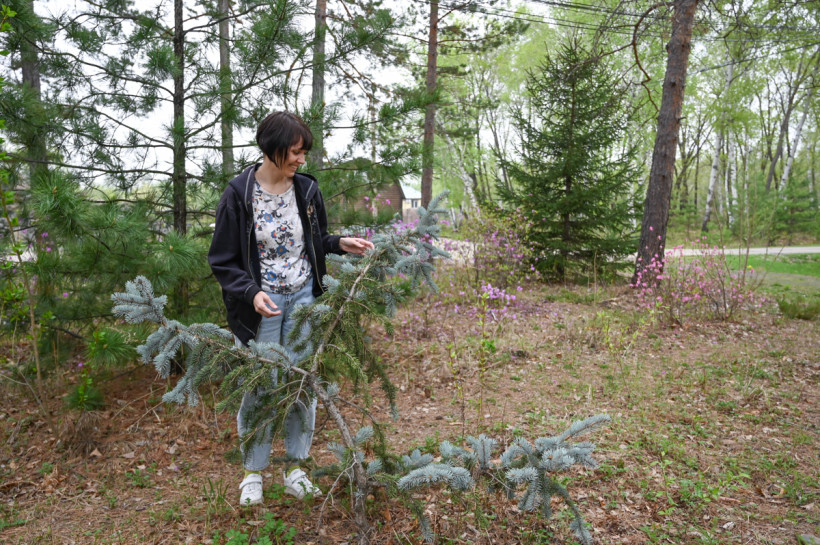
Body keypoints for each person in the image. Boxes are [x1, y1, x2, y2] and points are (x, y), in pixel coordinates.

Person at [208, 111, 374, 506]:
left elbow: (315, 240)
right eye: (296, 152)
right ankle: (252, 473)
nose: (302, 159)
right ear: (273, 148)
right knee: (260, 387)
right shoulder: (239, 194)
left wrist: (338, 243)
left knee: (302, 386)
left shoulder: (307, 189)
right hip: (261, 306)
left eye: (304, 153)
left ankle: (296, 469)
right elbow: (223, 260)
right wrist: (250, 293)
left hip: (303, 300)